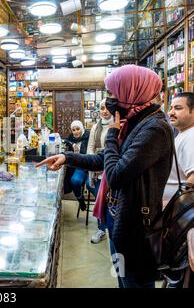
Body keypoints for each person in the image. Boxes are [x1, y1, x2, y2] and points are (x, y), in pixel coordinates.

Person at [36, 65, 173, 288]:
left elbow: (117, 174)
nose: (110, 100)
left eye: (113, 93)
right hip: (118, 220)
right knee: (121, 278)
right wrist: (67, 157)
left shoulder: (154, 129)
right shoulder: (135, 122)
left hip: (136, 230)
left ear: (132, 92)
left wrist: (111, 134)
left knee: (134, 283)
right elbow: (104, 160)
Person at [87, 99, 114, 244]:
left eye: (107, 108)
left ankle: (107, 227)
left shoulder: (117, 125)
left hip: (110, 169)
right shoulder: (95, 127)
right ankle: (101, 228)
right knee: (98, 194)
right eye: (102, 108)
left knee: (105, 198)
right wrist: (93, 164)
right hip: (96, 170)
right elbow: (90, 147)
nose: (104, 111)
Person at [163, 92, 194, 208]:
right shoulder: (184, 134)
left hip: (179, 216)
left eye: (178, 108)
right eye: (171, 108)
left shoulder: (191, 137)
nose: (171, 112)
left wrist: (174, 207)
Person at [63, 120, 90, 211]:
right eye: (73, 130)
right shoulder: (71, 138)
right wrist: (72, 143)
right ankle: (80, 199)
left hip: (85, 165)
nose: (76, 132)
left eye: (78, 129)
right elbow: (65, 140)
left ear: (82, 128)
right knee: (71, 180)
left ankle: (81, 200)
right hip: (75, 166)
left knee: (75, 181)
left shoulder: (88, 136)